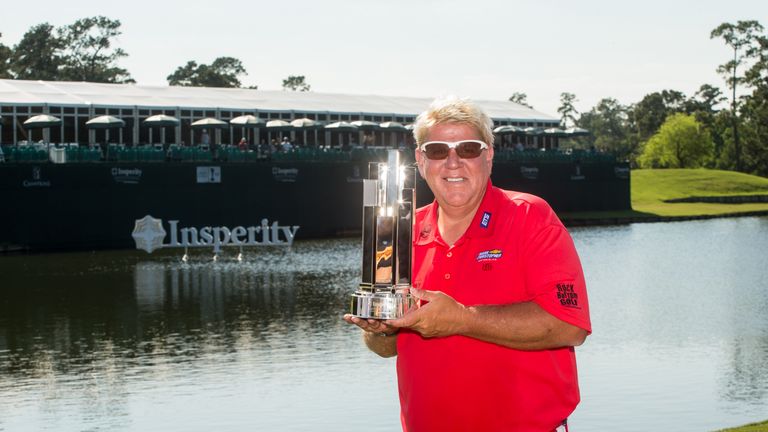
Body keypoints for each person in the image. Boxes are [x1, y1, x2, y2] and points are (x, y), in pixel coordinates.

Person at [344, 96, 591, 432]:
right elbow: (387, 348)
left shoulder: (530, 217)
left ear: (488, 156)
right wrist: (382, 329)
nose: (453, 162)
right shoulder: (402, 232)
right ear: (420, 159)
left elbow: (569, 326)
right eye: (437, 150)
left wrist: (461, 319)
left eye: (468, 149)